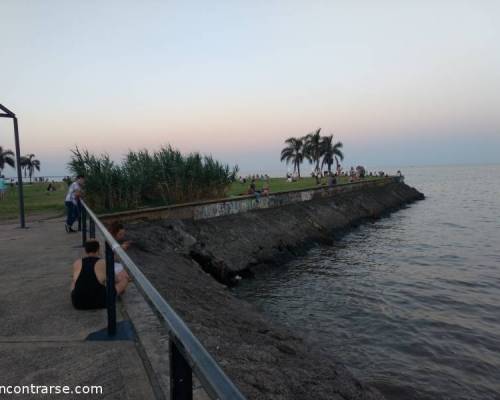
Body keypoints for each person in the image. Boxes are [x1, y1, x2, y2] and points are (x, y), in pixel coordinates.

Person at [71, 240, 129, 310]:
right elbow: (115, 280)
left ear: (85, 250)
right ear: (98, 249)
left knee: (74, 281)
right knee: (124, 279)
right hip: (99, 302)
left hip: (78, 303)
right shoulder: (103, 262)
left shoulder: (77, 262)